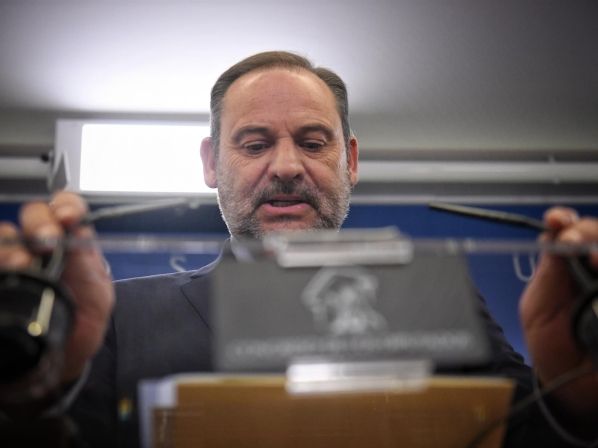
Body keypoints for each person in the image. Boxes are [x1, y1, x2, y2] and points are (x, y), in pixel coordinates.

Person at [1, 51, 597, 447]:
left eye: (313, 142)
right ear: (211, 163)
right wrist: (30, 388)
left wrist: (570, 394)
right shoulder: (123, 317)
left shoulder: (439, 305)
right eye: (255, 144)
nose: (286, 166)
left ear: (350, 160)